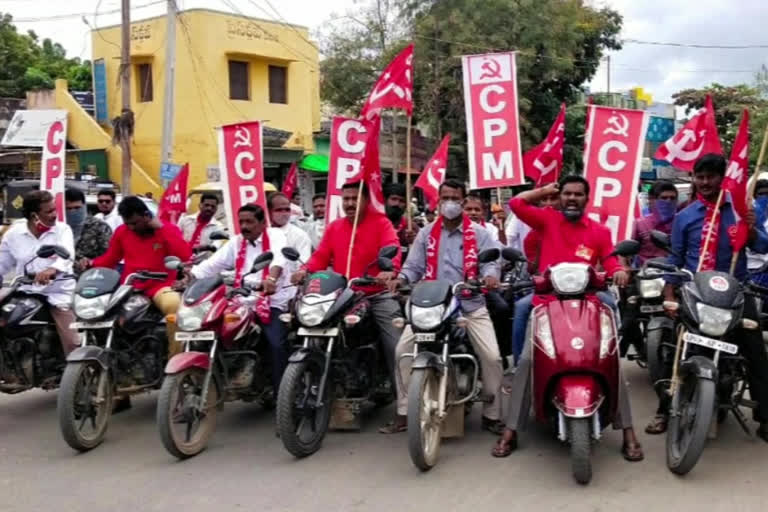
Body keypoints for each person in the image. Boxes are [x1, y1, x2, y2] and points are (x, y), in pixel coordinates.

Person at [493, 176, 643, 461]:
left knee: (612, 359)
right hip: (547, 302)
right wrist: (545, 191)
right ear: (561, 197)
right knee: (526, 360)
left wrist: (618, 270)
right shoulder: (547, 220)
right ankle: (511, 430)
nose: (572, 199)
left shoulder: (598, 231)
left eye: (578, 195)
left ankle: (628, 431)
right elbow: (515, 203)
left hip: (588, 301)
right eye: (567, 194)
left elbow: (609, 260)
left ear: (587, 199)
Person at [647, 154, 768, 439]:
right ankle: (664, 411)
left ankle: (764, 417)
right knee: (676, 347)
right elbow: (676, 259)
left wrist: (750, 231)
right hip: (695, 293)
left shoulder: (741, 212)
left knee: (756, 352)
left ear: (722, 178)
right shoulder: (684, 217)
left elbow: (762, 245)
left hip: (736, 291)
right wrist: (669, 293)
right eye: (699, 177)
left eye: (711, 177)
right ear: (693, 179)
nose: (704, 182)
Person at [380, 179, 505, 434]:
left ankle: (492, 414)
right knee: (402, 350)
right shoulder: (426, 233)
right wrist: (401, 279)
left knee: (492, 356)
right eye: (444, 197)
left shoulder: (481, 234)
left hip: (469, 302)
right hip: (431, 305)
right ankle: (405, 411)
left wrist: (491, 276)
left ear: (463, 201)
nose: (449, 203)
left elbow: (490, 263)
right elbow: (413, 266)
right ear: (437, 201)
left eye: (454, 198)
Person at [291, 182, 403, 400]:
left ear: (366, 201)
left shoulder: (382, 224)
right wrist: (304, 271)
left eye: (355, 198)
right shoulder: (335, 227)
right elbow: (320, 257)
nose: (350, 203)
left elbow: (393, 250)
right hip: (343, 296)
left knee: (397, 346)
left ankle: (404, 402)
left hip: (375, 293)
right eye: (346, 199)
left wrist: (389, 271)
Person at [190, 203, 290, 390]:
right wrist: (190, 275)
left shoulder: (275, 236)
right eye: (241, 222)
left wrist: (270, 278)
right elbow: (212, 265)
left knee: (276, 344)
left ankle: (281, 392)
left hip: (272, 300)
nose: (244, 226)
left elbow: (278, 259)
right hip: (241, 300)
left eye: (249, 222)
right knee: (211, 329)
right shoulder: (236, 242)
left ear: (262, 223)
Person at [82, 196, 192, 357]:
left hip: (160, 286)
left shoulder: (167, 229)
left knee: (173, 305)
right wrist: (90, 264)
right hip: (129, 287)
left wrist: (161, 228)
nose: (131, 227)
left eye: (135, 223)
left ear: (147, 216)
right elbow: (110, 259)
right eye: (127, 223)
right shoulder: (122, 232)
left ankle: (175, 359)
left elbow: (184, 255)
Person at [0, 190, 79, 361]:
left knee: (72, 341)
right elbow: (3, 263)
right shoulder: (14, 234)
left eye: (54, 209)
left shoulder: (62, 230)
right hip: (25, 291)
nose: (54, 215)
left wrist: (52, 270)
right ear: (34, 215)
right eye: (49, 211)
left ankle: (79, 376)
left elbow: (68, 256)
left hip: (57, 293)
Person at [632, 180, 678, 265]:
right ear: (651, 199)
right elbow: (624, 251)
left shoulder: (682, 222)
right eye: (663, 198)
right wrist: (624, 267)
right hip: (647, 273)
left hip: (676, 272)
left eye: (672, 198)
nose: (668, 201)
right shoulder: (640, 224)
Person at [64, 188, 111, 267]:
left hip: (89, 276)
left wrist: (92, 262)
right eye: (68, 208)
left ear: (84, 206)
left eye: (77, 208)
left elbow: (109, 256)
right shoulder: (58, 228)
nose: (73, 212)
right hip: (61, 276)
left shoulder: (100, 227)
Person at [268, 191, 312, 268]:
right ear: (269, 211)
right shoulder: (261, 234)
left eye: (287, 210)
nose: (284, 213)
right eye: (279, 210)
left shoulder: (300, 235)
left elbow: (304, 264)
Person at [384, 183, 418, 259]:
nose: (397, 204)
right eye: (393, 199)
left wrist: (414, 243)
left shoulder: (411, 228)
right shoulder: (376, 226)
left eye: (401, 201)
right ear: (385, 200)